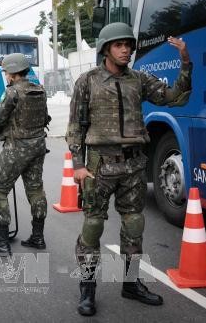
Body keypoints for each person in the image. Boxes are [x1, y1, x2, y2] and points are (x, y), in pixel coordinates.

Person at [65, 22, 192, 316]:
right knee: (93, 226)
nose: (126, 50)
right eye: (119, 45)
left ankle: (131, 283)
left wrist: (185, 62)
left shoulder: (139, 80)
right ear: (106, 49)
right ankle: (87, 288)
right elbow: (75, 128)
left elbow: (175, 97)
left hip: (134, 165)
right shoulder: (88, 81)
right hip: (99, 166)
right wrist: (79, 166)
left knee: (134, 226)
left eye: (129, 45)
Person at [0, 53, 50, 256]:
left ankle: (2, 243)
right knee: (36, 190)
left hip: (17, 148)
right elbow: (45, 117)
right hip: (38, 145)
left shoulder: (12, 93)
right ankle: (38, 237)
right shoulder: (40, 90)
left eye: (6, 72)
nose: (5, 76)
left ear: (11, 73)